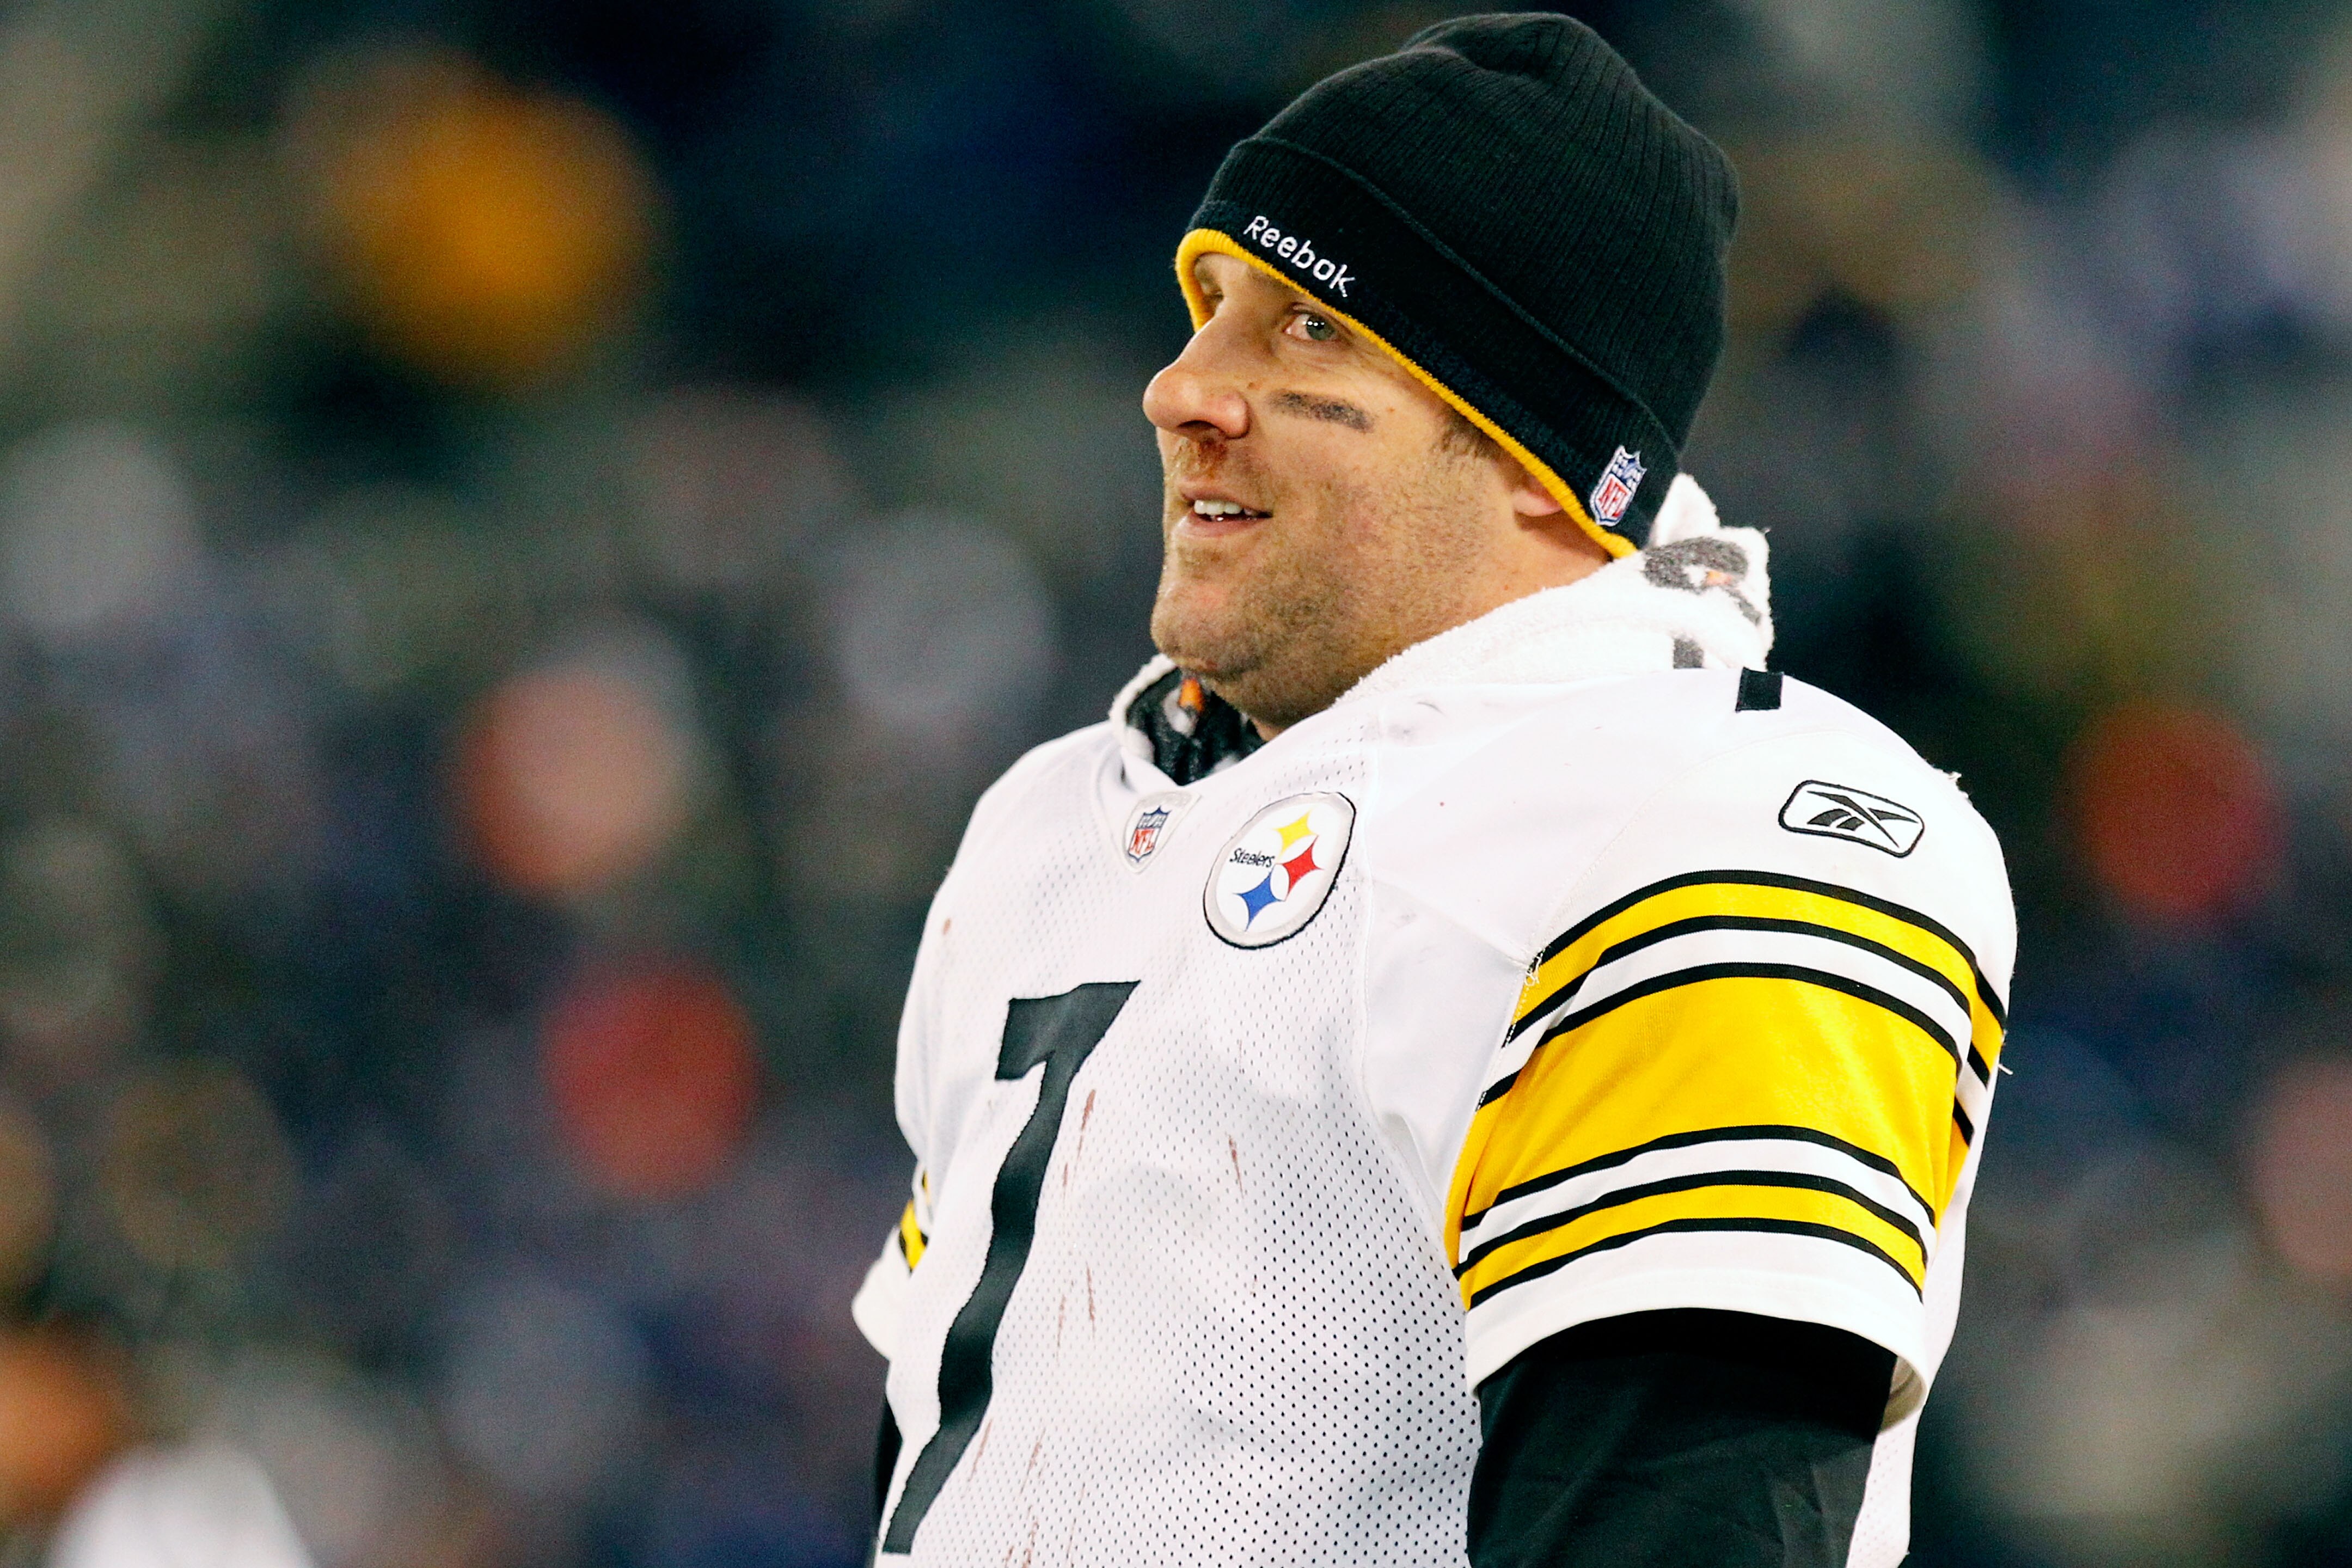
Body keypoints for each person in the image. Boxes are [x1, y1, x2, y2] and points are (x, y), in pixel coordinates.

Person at [850, 14, 2013, 1566]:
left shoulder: (1722, 810)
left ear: (1538, 455)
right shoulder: (1050, 821)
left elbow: (1683, 1524)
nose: (1181, 388)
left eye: (1308, 329)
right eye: (1209, 309)